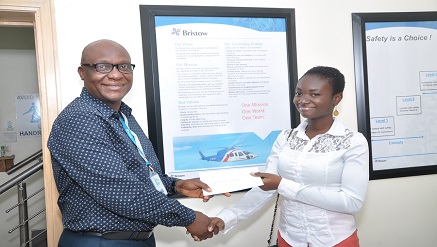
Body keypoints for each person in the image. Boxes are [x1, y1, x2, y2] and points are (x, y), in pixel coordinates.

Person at [48, 39, 218, 247]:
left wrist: (176, 185)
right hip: (100, 242)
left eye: (124, 66)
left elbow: (141, 176)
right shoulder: (79, 119)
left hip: (137, 240)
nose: (116, 74)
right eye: (102, 66)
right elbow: (121, 191)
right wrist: (189, 218)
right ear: (82, 72)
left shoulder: (123, 116)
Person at [206, 66, 370, 247]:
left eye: (314, 94)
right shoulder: (286, 138)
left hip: (335, 240)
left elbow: (352, 202)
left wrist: (283, 185)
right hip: (289, 239)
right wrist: (227, 217)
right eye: (299, 93)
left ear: (336, 98)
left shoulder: (353, 142)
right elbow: (266, 186)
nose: (303, 100)